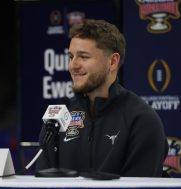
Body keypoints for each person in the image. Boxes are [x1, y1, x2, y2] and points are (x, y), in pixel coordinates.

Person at [36, 19, 169, 177]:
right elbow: (43, 186)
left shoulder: (141, 120)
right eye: (71, 57)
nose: (73, 65)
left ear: (112, 62)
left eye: (84, 57)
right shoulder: (58, 118)